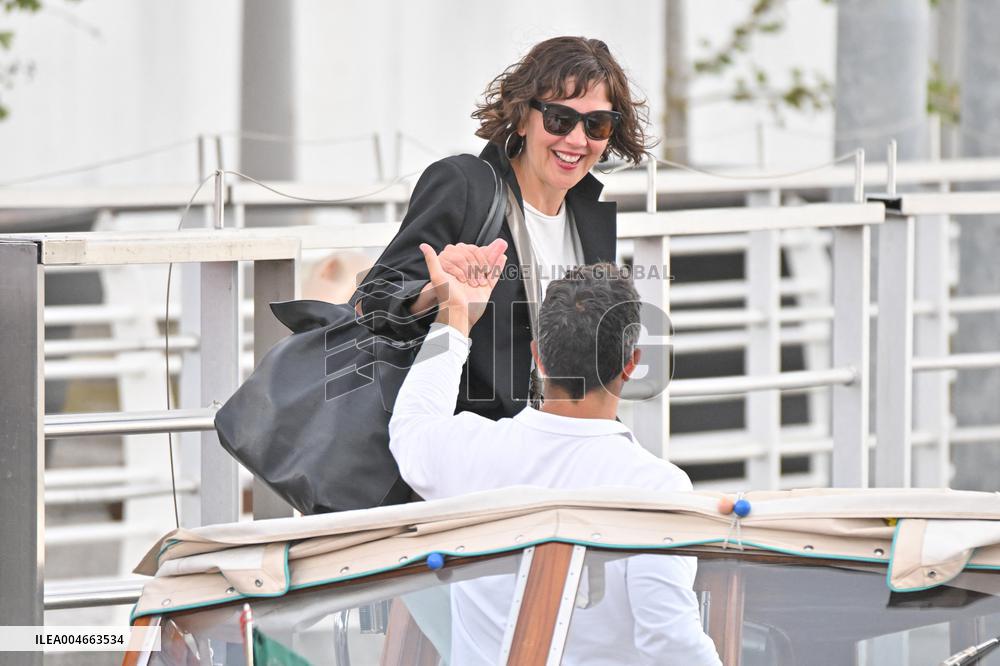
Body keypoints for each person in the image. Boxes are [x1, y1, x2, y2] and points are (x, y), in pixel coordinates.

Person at [388, 251, 722, 665]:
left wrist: (455, 316)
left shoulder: (470, 451)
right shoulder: (657, 489)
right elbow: (670, 643)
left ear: (539, 357)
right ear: (632, 364)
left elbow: (411, 423)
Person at [355, 36, 652, 420]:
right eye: (559, 119)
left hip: (555, 453)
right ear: (523, 115)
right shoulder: (464, 185)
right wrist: (436, 295)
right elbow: (372, 302)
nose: (577, 140)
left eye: (597, 124)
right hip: (471, 453)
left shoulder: (591, 218)